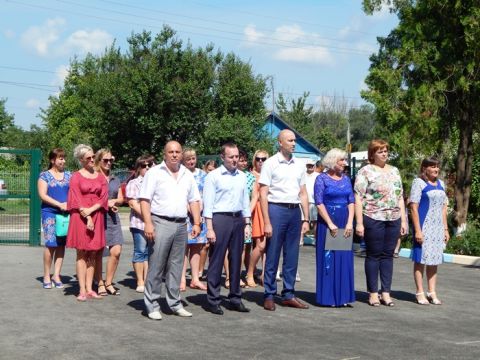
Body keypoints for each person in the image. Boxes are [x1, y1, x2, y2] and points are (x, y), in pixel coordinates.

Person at [139, 141, 201, 320]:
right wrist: (148, 223)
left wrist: (196, 223)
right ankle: (152, 305)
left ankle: (174, 303)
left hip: (181, 224)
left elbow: (194, 200)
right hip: (160, 222)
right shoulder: (154, 173)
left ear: (181, 154)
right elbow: (144, 200)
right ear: (164, 154)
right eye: (171, 152)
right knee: (156, 265)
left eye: (177, 152)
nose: (174, 155)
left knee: (176, 266)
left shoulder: (187, 174)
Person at [259, 129, 310, 311]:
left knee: (292, 254)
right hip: (276, 210)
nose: (294, 143)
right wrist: (266, 221)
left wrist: (306, 219)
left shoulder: (299, 164)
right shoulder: (270, 163)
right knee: (272, 254)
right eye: (290, 140)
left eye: (295, 140)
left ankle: (288, 293)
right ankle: (269, 294)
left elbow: (303, 193)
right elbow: (263, 194)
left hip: (294, 211)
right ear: (280, 142)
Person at [354, 139, 407, 307]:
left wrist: (403, 220)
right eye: (380, 151)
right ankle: (373, 293)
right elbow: (358, 197)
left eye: (385, 151)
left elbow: (399, 196)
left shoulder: (395, 171)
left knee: (388, 255)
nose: (384, 154)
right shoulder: (365, 171)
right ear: (372, 154)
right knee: (374, 255)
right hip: (373, 217)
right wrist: (359, 223)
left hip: (393, 218)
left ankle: (386, 292)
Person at [203, 142, 252, 315]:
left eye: (237, 156)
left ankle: (235, 298)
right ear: (222, 157)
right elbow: (207, 204)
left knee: (236, 259)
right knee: (216, 259)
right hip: (220, 219)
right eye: (231, 157)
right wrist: (209, 228)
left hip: (238, 218)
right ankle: (213, 299)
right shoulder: (213, 176)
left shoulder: (242, 176)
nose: (235, 160)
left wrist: (247, 223)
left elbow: (245, 201)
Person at [67, 144, 108, 301]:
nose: (92, 160)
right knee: (82, 253)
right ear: (81, 160)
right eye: (88, 158)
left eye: (93, 157)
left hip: (96, 215)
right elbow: (75, 199)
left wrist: (92, 212)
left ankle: (91, 288)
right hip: (80, 217)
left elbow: (103, 197)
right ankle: (82, 289)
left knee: (93, 253)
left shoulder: (99, 176)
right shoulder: (76, 176)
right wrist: (88, 216)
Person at [314, 148, 355, 307]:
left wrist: (350, 222)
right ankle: (329, 297)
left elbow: (351, 200)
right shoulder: (321, 179)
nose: (344, 163)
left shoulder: (345, 179)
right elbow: (319, 203)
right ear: (332, 161)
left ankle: (343, 297)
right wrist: (330, 223)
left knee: (343, 259)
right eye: (341, 160)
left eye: (345, 160)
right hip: (327, 222)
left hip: (344, 221)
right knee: (328, 259)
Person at [410, 157, 450, 305]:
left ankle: (432, 292)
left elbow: (443, 208)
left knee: (434, 261)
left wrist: (445, 229)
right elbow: (414, 207)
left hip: (437, 227)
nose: (436, 169)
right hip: (424, 226)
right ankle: (419, 292)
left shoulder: (441, 184)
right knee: (421, 260)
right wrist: (418, 231)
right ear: (425, 168)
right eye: (432, 167)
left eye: (437, 166)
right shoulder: (418, 183)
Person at [38, 148, 72, 289]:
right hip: (50, 213)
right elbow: (43, 195)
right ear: (53, 160)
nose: (63, 161)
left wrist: (68, 204)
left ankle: (56, 275)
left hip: (66, 214)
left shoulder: (70, 175)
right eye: (60, 158)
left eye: (64, 158)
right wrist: (59, 204)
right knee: (51, 244)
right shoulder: (44, 176)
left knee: (61, 244)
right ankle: (47, 275)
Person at [222, 149, 255, 289]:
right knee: (225, 248)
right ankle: (228, 276)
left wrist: (247, 217)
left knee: (242, 248)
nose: (240, 161)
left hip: (243, 216)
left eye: (242, 159)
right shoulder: (219, 175)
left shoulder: (249, 177)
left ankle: (237, 276)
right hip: (226, 216)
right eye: (237, 158)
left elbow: (250, 199)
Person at [94, 149, 124, 296]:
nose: (108, 163)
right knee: (98, 252)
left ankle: (109, 282)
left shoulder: (115, 179)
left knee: (116, 251)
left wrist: (114, 201)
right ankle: (99, 282)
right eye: (105, 160)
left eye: (110, 160)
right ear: (98, 160)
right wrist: (106, 203)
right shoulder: (93, 178)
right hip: (97, 217)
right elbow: (91, 199)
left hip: (113, 219)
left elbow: (121, 198)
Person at [125, 154, 155, 293]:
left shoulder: (157, 182)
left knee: (151, 253)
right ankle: (140, 281)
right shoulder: (134, 183)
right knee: (140, 251)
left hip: (155, 223)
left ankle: (148, 279)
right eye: (144, 166)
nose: (147, 167)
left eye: (150, 164)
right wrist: (149, 217)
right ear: (138, 168)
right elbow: (133, 203)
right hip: (139, 223)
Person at [181, 148, 208, 291]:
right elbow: (181, 195)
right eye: (188, 159)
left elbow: (206, 194)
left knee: (197, 247)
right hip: (185, 216)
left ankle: (195, 278)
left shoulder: (203, 175)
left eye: (193, 158)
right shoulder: (180, 174)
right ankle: (181, 279)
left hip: (201, 216)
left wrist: (201, 210)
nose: (191, 161)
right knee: (184, 248)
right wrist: (191, 210)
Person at [245, 149, 269, 287]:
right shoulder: (250, 176)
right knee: (260, 245)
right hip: (257, 210)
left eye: (263, 159)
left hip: (271, 210)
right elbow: (253, 197)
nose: (260, 161)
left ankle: (265, 275)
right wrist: (247, 214)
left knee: (268, 247)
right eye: (258, 158)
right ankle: (249, 272)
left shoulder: (271, 174)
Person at [301, 158, 319, 246]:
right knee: (302, 221)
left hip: (314, 202)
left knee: (315, 221)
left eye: (311, 165)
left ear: (314, 166)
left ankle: (316, 240)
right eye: (308, 165)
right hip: (303, 202)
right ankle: (300, 239)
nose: (310, 167)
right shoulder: (302, 175)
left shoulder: (318, 176)